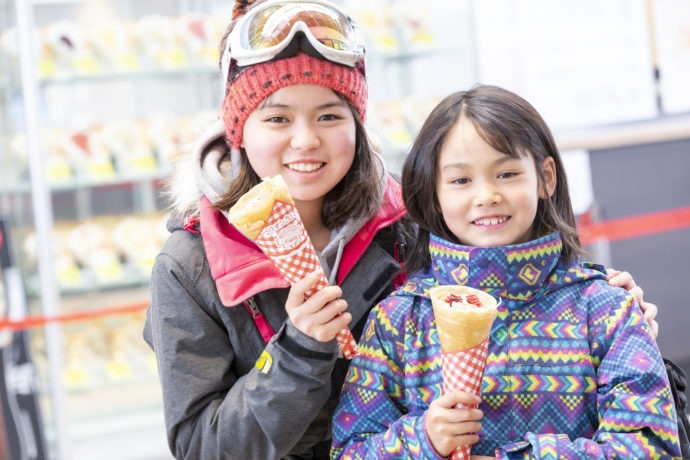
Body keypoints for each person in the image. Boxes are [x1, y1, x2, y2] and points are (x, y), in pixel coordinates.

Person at [142, 1, 659, 458]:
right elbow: (201, 448)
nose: (306, 141)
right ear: (239, 129)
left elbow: (512, 295)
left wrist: (604, 307)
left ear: (357, 122)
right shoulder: (192, 265)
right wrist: (298, 350)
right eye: (277, 119)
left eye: (329, 115)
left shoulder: (409, 225)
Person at [330, 85, 680, 459]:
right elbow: (350, 451)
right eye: (461, 180)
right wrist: (422, 440)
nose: (486, 196)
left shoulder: (606, 308)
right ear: (433, 193)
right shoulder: (399, 320)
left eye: (507, 173)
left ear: (546, 177)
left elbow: (651, 446)